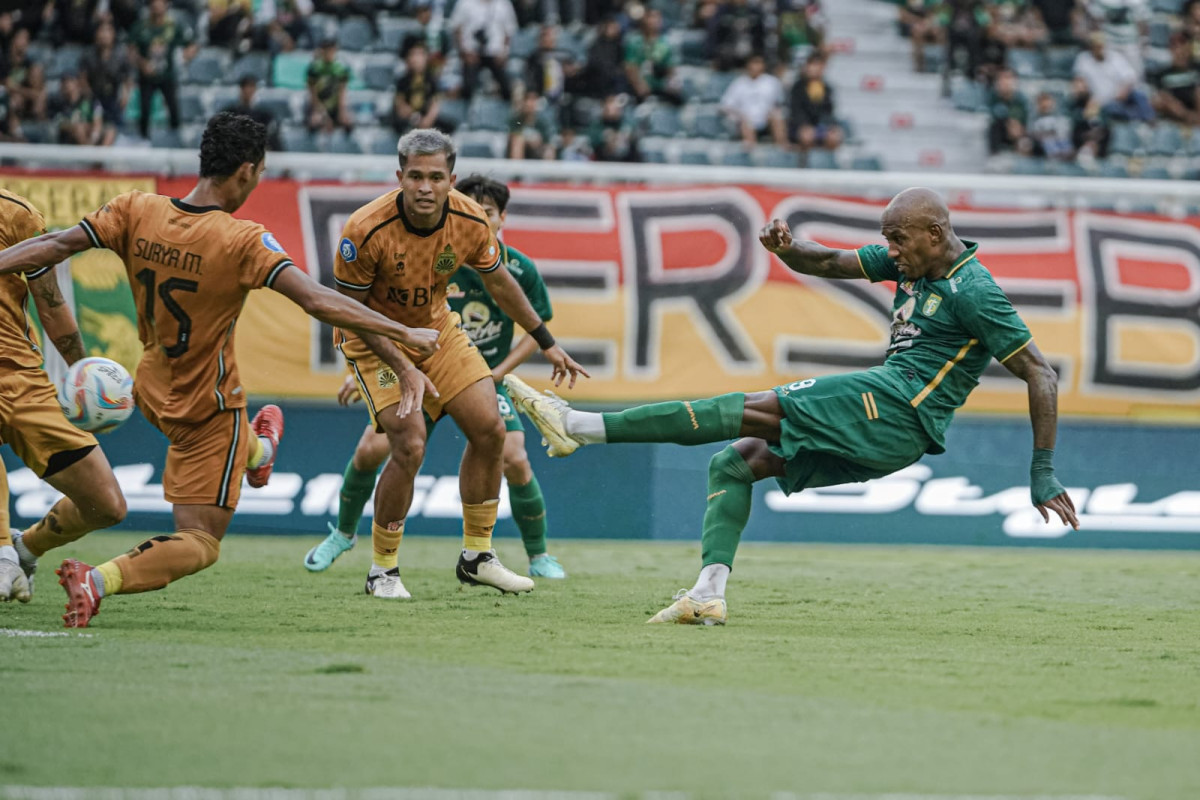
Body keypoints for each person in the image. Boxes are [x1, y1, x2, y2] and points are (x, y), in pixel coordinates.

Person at [507, 187, 1080, 626]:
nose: (892, 251)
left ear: (935, 232)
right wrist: (787, 250)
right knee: (736, 462)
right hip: (886, 432)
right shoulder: (912, 262)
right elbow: (828, 262)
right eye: (889, 239)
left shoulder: (973, 290)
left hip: (897, 407)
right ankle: (707, 593)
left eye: (900, 239)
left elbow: (1040, 373)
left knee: (752, 407)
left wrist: (1042, 471)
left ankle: (578, 425)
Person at [0, 112, 440, 627]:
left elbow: (51, 247)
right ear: (248, 172)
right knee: (201, 542)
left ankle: (257, 450)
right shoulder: (242, 240)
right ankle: (97, 580)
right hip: (206, 406)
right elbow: (319, 300)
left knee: (223, 454)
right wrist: (403, 333)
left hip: (147, 386)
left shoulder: (134, 209)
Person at [327, 128, 586, 600]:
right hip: (374, 340)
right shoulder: (364, 230)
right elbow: (351, 315)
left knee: (490, 429)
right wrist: (405, 366)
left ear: (452, 179)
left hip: (438, 333)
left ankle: (477, 557)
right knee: (408, 442)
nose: (425, 187)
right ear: (399, 176)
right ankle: (381, 570)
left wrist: (546, 341)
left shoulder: (469, 219)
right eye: (416, 176)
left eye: (436, 177)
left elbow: (501, 283)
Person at [0, 188, 127, 604]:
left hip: (20, 376)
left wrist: (81, 369)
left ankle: (24, 548)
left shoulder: (17, 215)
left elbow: (51, 304)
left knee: (106, 505)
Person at [129, 0, 197, 140]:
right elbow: (131, 50)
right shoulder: (141, 27)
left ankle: (175, 138)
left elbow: (191, 45)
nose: (156, 5)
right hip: (146, 76)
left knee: (174, 109)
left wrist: (185, 56)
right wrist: (142, 64)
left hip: (167, 75)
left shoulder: (173, 26)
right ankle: (143, 139)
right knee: (145, 110)